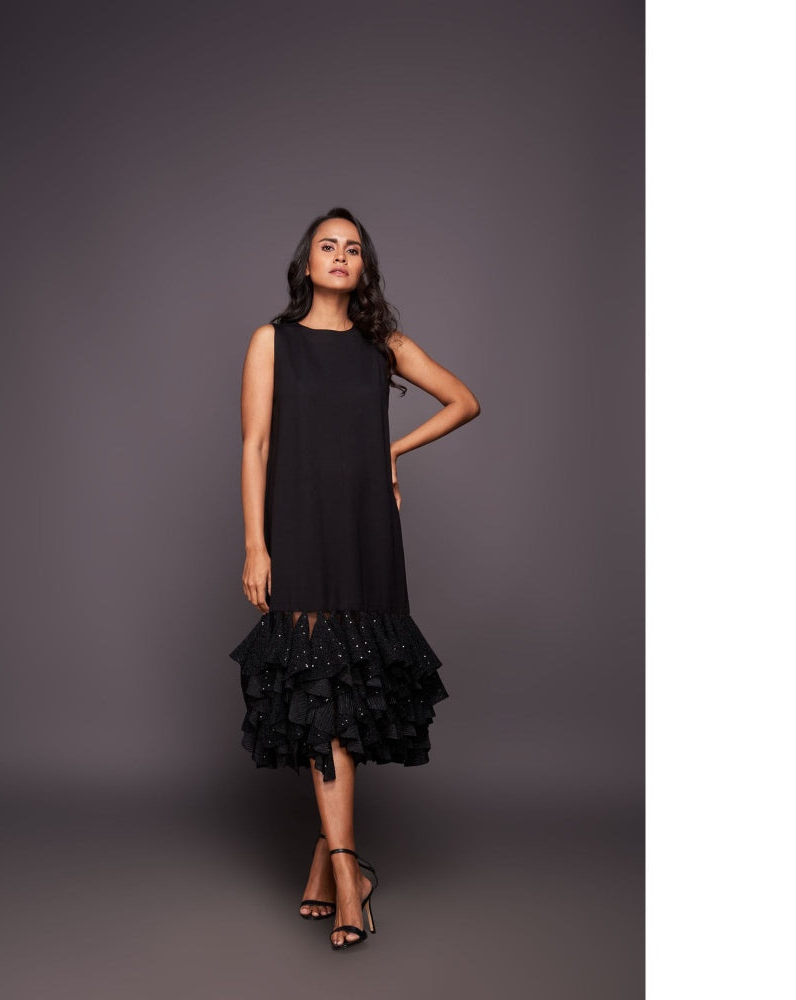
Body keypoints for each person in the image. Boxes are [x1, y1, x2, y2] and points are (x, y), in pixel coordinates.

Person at [229, 206, 480, 950]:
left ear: (362, 267)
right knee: (318, 687)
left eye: (353, 248)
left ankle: (333, 859)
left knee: (349, 686)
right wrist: (255, 545)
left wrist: (391, 451)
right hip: (298, 530)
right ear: (307, 264)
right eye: (327, 246)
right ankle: (344, 868)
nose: (340, 256)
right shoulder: (272, 342)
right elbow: (254, 446)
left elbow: (464, 401)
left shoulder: (384, 345)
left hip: (366, 530)